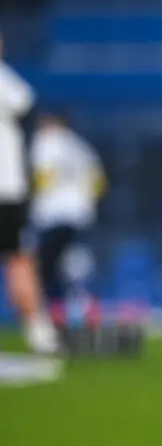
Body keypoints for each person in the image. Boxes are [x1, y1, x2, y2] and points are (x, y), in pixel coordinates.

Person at [0, 32, 59, 355]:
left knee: (19, 259)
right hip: (7, 189)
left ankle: (38, 328)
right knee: (20, 260)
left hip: (8, 189)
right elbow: (26, 105)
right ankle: (38, 330)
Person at [29, 112, 106, 305]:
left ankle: (54, 308)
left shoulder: (46, 141)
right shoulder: (80, 146)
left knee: (47, 269)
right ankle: (78, 304)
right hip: (80, 215)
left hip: (52, 215)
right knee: (74, 264)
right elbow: (99, 184)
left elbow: (42, 177)